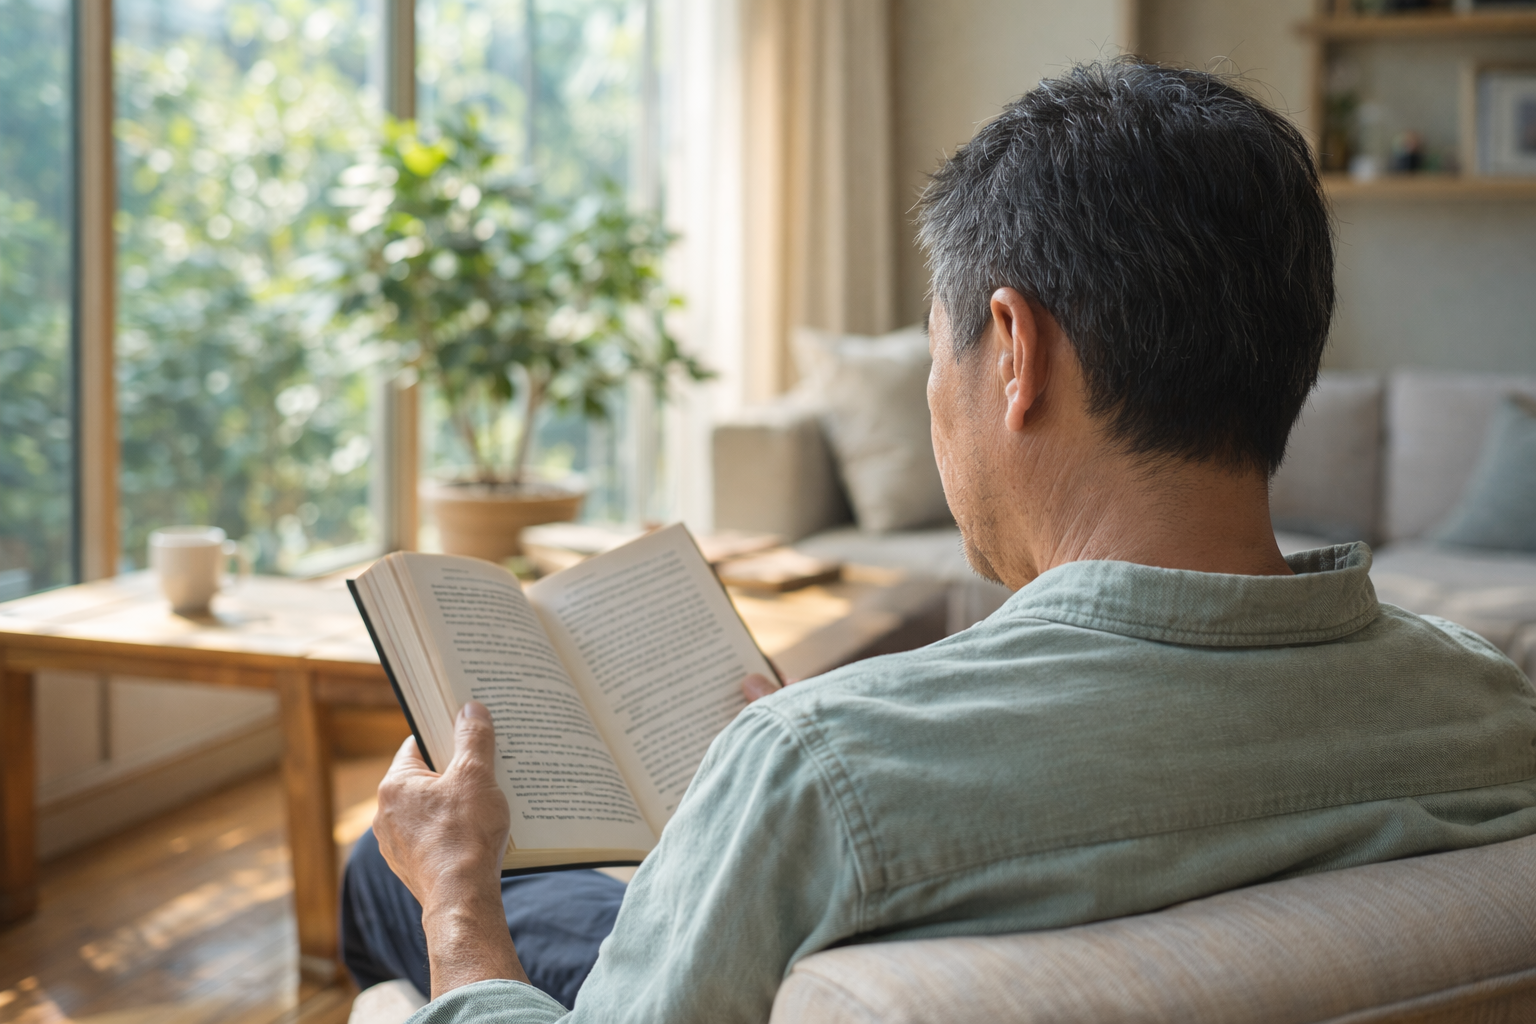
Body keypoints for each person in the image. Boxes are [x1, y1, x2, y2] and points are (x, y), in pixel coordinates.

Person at [340, 59, 1536, 1023]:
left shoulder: (816, 774)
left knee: (399, 870)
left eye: (934, 354)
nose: (933, 398)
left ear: (1014, 352)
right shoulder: (1490, 705)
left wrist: (457, 903)